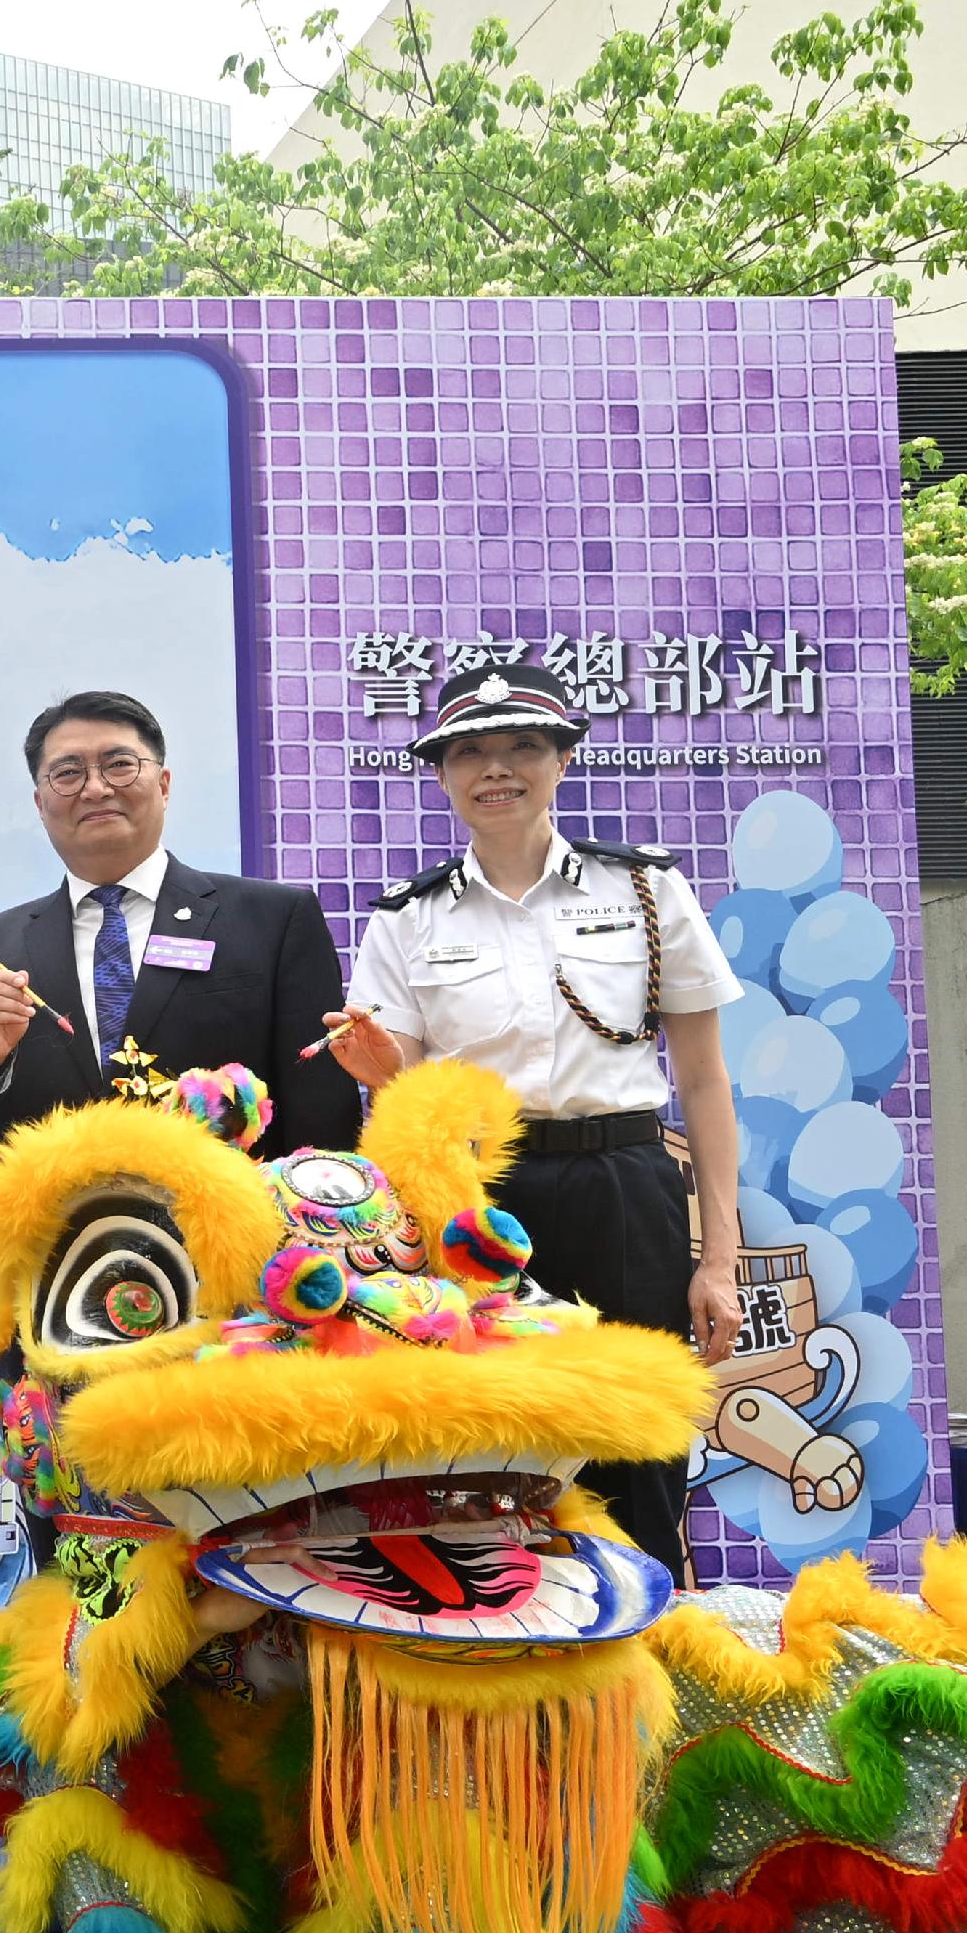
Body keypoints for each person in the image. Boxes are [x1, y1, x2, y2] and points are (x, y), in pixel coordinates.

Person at [324, 663, 743, 1584]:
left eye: (522, 746)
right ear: (442, 775)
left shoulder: (644, 889)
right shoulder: (407, 918)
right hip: (480, 1197)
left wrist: (719, 1259)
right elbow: (401, 1096)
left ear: (562, 760)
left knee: (635, 1435)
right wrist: (382, 1073)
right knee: (491, 1438)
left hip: (624, 1185)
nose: (496, 769)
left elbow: (705, 1082)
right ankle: (511, 1640)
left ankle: (647, 1633)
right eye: (469, 752)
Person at [0, 688, 359, 1157]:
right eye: (68, 773)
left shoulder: (274, 920)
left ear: (163, 785)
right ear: (40, 804)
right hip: (57, 1204)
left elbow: (322, 1106)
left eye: (119, 765)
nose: (95, 788)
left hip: (230, 1201)